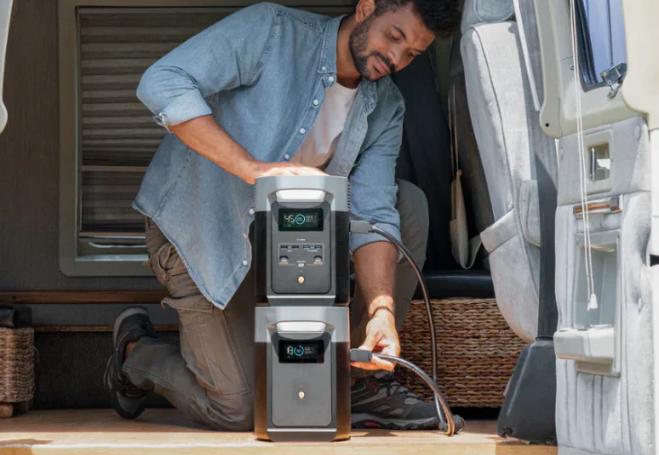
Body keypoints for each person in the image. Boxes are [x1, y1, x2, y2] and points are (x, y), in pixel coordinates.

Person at [104, 0, 460, 431]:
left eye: (412, 54)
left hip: (292, 251)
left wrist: (381, 309)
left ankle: (354, 379)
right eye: (394, 37)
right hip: (203, 233)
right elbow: (162, 80)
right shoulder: (271, 32)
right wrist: (251, 169)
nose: (396, 59)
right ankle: (134, 354)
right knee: (239, 409)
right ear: (367, 7)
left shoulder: (386, 105)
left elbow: (374, 213)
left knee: (408, 206)